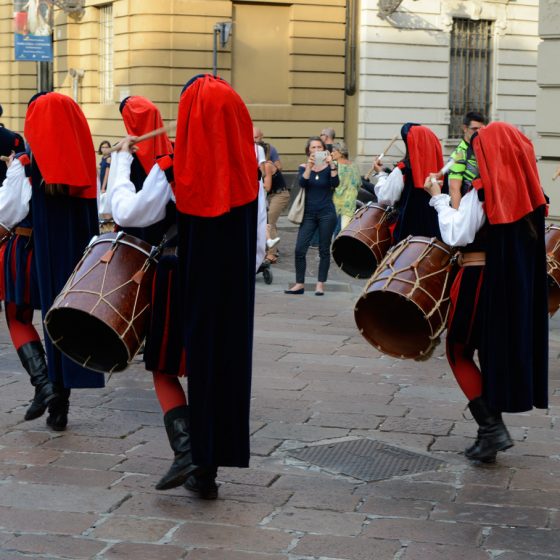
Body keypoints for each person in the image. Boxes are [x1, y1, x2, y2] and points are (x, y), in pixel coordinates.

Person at [424, 121, 548, 463]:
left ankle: (492, 429)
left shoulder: (483, 191)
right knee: (488, 353)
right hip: (506, 282)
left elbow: (457, 234)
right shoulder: (531, 193)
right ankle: (487, 436)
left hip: (477, 279)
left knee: (457, 351)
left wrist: (438, 199)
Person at [173, 74, 260, 495]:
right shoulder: (248, 171)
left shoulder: (187, 172)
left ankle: (200, 461)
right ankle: (211, 462)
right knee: (227, 363)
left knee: (201, 361)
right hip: (236, 285)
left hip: (201, 281)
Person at [24, 92, 105, 431]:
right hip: (79, 243)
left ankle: (53, 391)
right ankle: (62, 395)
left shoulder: (38, 161)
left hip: (47, 241)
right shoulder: (82, 152)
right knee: (70, 317)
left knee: (49, 315)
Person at [0, 151, 60, 421]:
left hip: (25, 249)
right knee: (57, 323)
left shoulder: (24, 163)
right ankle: (58, 406)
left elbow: (7, 212)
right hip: (60, 249)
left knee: (17, 317)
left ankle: (44, 385)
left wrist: (13, 168)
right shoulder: (71, 158)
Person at [373, 123, 444, 244]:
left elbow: (385, 199)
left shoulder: (402, 170)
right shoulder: (441, 172)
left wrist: (381, 175)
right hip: (437, 239)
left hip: (407, 239)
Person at [285, 136, 338, 296]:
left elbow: (335, 184)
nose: (316, 150)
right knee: (300, 248)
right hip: (308, 213)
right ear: (308, 151)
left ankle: (320, 284)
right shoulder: (303, 167)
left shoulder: (330, 167)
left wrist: (333, 165)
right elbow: (303, 183)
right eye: (313, 148)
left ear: (324, 150)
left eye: (319, 148)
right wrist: (309, 166)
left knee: (324, 249)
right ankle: (299, 284)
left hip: (326, 212)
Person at [448, 111, 486, 209]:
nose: (478, 132)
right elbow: (454, 188)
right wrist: (458, 217)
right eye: (474, 129)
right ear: (465, 128)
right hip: (469, 209)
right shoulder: (459, 154)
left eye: (481, 129)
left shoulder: (483, 149)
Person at [261, 142, 287, 263]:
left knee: (270, 222)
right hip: (272, 195)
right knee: (269, 222)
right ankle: (271, 249)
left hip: (279, 195)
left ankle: (272, 254)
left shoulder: (267, 165)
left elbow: (267, 186)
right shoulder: (262, 165)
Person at [331, 141, 361, 236]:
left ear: (340, 152)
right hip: (350, 202)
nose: (331, 153)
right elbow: (358, 184)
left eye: (333, 151)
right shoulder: (353, 165)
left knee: (334, 231)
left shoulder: (333, 165)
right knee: (344, 231)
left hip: (336, 202)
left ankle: (334, 249)